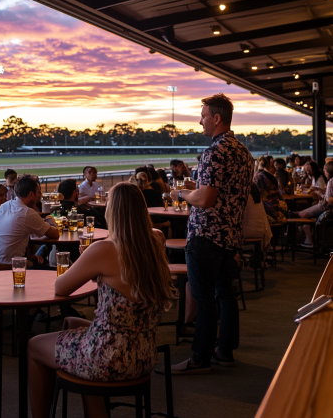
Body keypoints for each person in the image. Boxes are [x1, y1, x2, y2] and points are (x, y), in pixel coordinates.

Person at [27, 182, 177, 418]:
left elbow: (61, 286)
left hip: (110, 357)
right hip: (144, 352)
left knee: (34, 345)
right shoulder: (156, 240)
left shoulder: (104, 250)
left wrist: (89, 265)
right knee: (73, 325)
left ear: (111, 211)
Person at [170, 93, 253, 373]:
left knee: (204, 297)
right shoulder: (243, 152)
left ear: (217, 118)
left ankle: (199, 358)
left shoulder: (214, 151)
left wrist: (182, 193)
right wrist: (197, 187)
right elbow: (219, 190)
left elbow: (205, 200)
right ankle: (224, 351)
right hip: (230, 236)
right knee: (225, 293)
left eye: (203, 116)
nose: (200, 120)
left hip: (206, 236)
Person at [0, 175, 59, 267]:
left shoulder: (4, 206)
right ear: (31, 194)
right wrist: (51, 220)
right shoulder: (27, 212)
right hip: (10, 268)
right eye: (38, 193)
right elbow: (55, 234)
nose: (38, 197)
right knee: (54, 272)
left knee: (41, 257)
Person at [254, 156, 287, 224]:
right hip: (275, 211)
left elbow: (257, 197)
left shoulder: (258, 177)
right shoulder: (271, 177)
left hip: (267, 213)